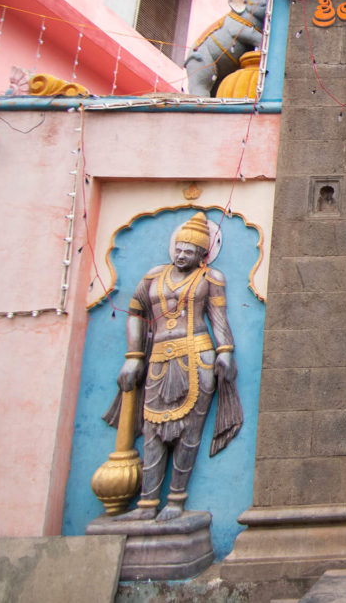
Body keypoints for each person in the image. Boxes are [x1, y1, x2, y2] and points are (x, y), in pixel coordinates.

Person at [107, 212, 243, 521]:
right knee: (153, 430)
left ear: (202, 254)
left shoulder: (210, 279)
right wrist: (133, 356)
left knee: (189, 432)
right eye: (179, 248)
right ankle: (146, 503)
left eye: (190, 250)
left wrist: (226, 352)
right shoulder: (154, 277)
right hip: (157, 359)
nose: (182, 255)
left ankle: (176, 501)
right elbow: (136, 313)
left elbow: (218, 319)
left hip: (197, 356)